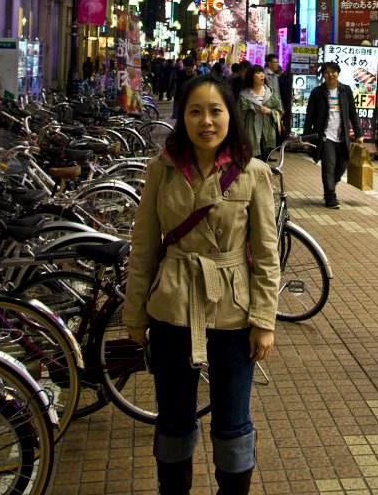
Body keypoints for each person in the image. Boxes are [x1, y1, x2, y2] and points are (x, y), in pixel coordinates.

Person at [123, 75, 280, 495]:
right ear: (183, 116)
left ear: (231, 115)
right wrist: (135, 312)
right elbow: (143, 249)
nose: (206, 121)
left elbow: (265, 254)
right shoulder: (162, 169)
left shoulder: (253, 173)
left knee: (232, 422)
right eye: (195, 111)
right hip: (172, 308)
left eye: (216, 111)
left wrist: (264, 320)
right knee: (173, 419)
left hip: (233, 312)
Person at [303, 61, 364, 209]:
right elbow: (309, 116)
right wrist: (305, 138)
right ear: (323, 75)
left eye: (333, 72)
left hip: (342, 135)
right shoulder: (317, 92)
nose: (330, 75)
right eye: (327, 72)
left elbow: (352, 113)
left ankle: (331, 185)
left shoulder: (345, 90)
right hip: (325, 136)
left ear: (338, 73)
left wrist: (358, 133)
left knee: (342, 165)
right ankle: (330, 196)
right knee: (329, 165)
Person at [239, 64, 283, 160]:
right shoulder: (244, 95)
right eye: (258, 73)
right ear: (251, 76)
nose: (262, 75)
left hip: (266, 136)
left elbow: (280, 111)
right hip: (250, 135)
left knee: (263, 165)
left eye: (262, 72)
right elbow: (239, 118)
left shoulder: (271, 93)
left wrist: (270, 111)